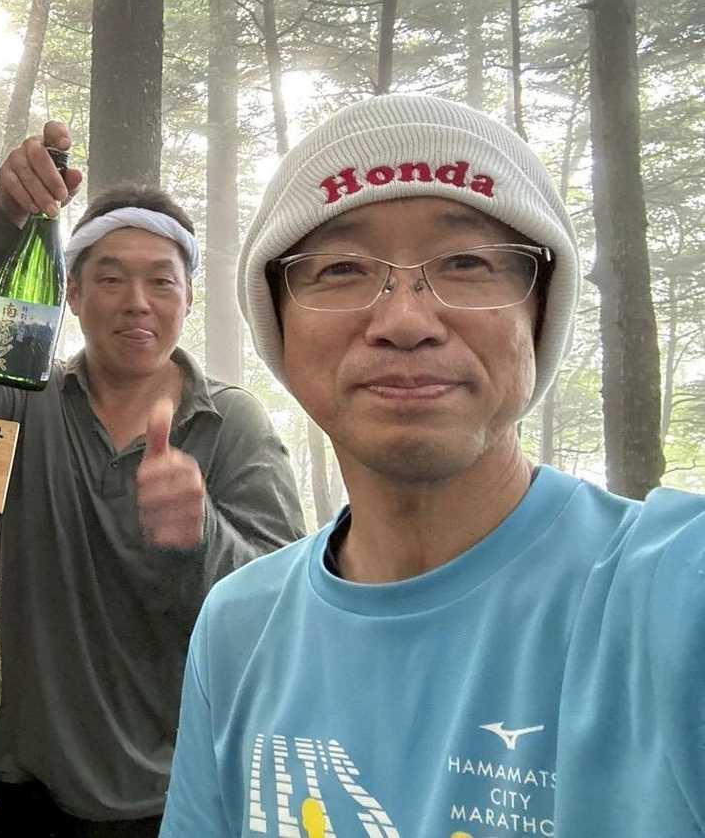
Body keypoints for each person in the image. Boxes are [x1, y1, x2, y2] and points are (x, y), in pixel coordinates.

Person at [161, 94, 705, 836]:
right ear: (278, 327)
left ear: (539, 315)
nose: (405, 321)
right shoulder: (238, 629)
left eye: (466, 262)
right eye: (341, 268)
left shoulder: (669, 590)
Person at [0, 123, 305, 837]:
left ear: (188, 297)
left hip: (182, 794)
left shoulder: (230, 424)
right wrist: (5, 218)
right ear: (73, 294)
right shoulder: (25, 403)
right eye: (110, 278)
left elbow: (287, 614)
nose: (136, 301)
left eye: (160, 280)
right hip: (30, 789)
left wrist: (200, 536)